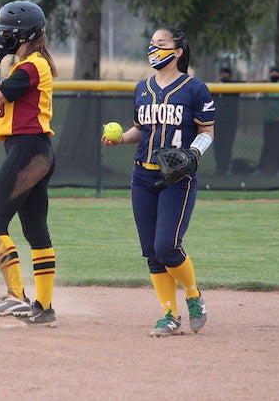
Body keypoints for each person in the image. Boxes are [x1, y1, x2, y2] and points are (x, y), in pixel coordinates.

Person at [101, 26, 215, 337]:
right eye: (151, 43)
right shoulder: (142, 88)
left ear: (178, 51)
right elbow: (142, 129)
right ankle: (169, 314)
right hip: (143, 176)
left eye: (161, 44)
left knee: (167, 246)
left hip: (177, 177)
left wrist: (193, 154)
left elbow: (206, 133)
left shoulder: (195, 89)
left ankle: (193, 295)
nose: (154, 48)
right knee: (152, 251)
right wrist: (122, 138)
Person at [0, 0, 58, 325]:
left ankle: (16, 298)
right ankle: (44, 307)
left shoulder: (30, 66)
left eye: (8, 32)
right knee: (36, 230)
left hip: (28, 150)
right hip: (35, 151)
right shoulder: (30, 64)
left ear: (25, 34)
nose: (2, 38)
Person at [257, 66, 279, 175]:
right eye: (272, 73)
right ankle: (261, 169)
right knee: (267, 144)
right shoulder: (268, 86)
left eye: (276, 73)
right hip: (269, 119)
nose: (274, 75)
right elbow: (261, 99)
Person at [213, 67, 239, 175]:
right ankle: (219, 168)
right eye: (223, 73)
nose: (225, 76)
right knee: (218, 146)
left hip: (230, 124)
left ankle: (224, 168)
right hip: (217, 123)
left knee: (227, 146)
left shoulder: (234, 88)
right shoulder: (215, 88)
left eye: (227, 74)